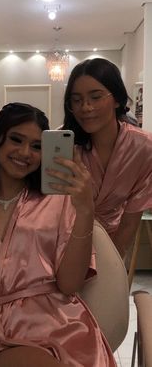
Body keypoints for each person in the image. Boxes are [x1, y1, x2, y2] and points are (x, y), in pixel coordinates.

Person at [0, 103, 116, 367]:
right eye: (16, 139)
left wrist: (85, 210)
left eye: (36, 146)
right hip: (6, 334)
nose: (25, 153)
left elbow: (69, 285)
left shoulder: (57, 202)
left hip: (64, 327)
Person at [62, 57, 152, 258]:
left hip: (112, 241)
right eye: (76, 100)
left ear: (117, 98)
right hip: (64, 241)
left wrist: (112, 262)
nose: (85, 107)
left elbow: (130, 221)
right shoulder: (65, 143)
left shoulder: (143, 148)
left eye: (95, 97)